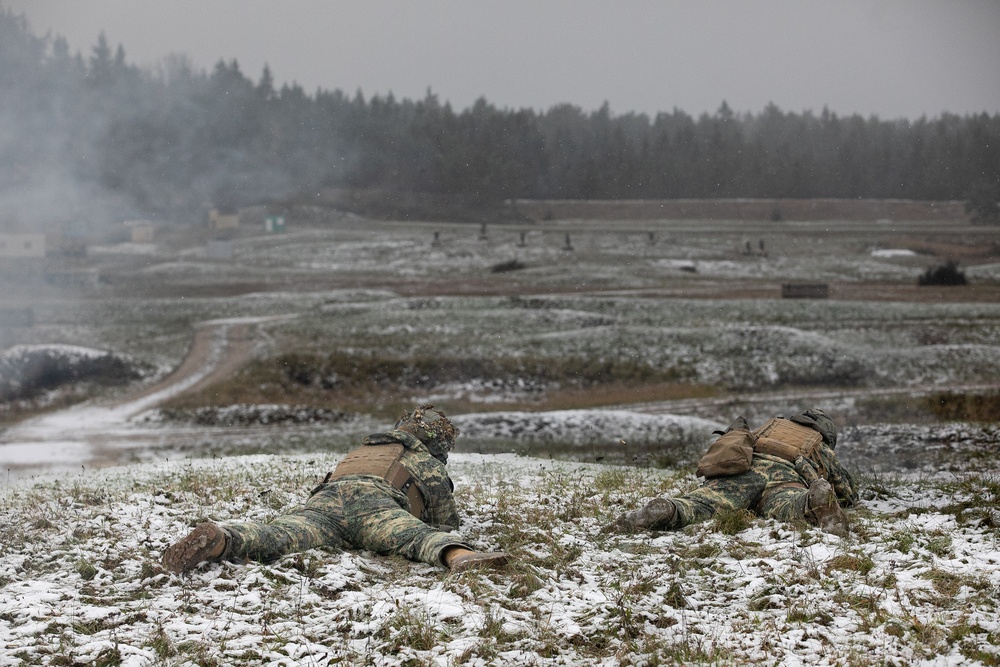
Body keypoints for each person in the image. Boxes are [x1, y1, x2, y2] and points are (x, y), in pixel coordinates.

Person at [163, 405, 508, 574]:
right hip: (376, 507)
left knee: (278, 536)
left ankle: (223, 538)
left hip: (325, 505)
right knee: (416, 537)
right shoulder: (425, 462)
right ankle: (461, 558)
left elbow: (324, 486)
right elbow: (446, 520)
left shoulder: (363, 451)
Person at [604, 408, 858, 537]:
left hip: (741, 470)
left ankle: (669, 510)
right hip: (784, 477)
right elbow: (846, 489)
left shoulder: (767, 428)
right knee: (788, 505)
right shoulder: (818, 443)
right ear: (826, 433)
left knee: (704, 504)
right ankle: (814, 505)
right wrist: (839, 496)